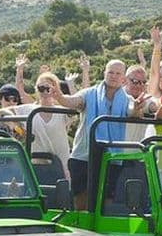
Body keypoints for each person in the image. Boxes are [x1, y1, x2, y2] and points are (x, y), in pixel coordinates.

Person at [52, 59, 143, 210]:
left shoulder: (127, 99)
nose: (113, 76)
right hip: (84, 154)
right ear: (104, 73)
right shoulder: (90, 93)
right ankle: (82, 229)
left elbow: (132, 110)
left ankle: (100, 228)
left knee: (106, 196)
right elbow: (73, 101)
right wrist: (59, 97)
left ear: (123, 78)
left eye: (118, 73)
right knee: (81, 196)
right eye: (110, 72)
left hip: (110, 157)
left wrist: (138, 108)